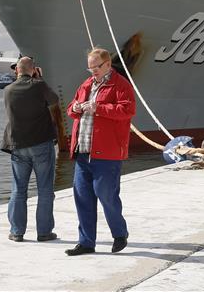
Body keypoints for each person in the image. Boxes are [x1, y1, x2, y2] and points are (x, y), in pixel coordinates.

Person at [65, 48, 136, 256]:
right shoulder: (86, 84)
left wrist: (99, 108)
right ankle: (86, 242)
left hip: (107, 153)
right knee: (82, 198)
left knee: (107, 195)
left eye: (96, 66)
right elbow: (70, 108)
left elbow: (127, 110)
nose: (92, 71)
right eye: (90, 67)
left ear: (107, 64)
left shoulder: (121, 85)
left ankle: (119, 233)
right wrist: (76, 108)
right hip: (82, 151)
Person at [1, 57, 66, 243]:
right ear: (33, 70)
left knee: (18, 190)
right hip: (40, 144)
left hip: (17, 145)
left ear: (17, 71)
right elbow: (54, 100)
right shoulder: (38, 86)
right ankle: (44, 232)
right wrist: (40, 79)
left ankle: (16, 231)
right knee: (45, 190)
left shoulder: (8, 90)